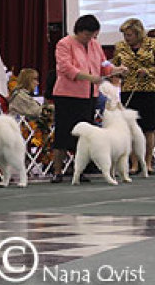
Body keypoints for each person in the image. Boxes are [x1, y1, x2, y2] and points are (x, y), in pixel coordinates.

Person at [50, 14, 127, 183]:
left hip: (89, 96)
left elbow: (104, 64)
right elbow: (65, 67)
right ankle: (57, 171)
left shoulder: (95, 45)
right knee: (63, 133)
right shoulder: (64, 44)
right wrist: (89, 77)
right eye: (87, 34)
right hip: (67, 96)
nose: (90, 38)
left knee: (86, 136)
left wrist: (116, 69)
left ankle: (79, 170)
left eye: (93, 35)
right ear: (79, 31)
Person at [112, 18, 155, 175]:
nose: (126, 38)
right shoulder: (120, 46)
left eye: (129, 35)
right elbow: (114, 67)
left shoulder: (154, 45)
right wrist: (119, 71)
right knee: (130, 128)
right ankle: (134, 164)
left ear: (138, 33)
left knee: (149, 128)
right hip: (128, 90)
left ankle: (147, 164)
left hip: (149, 90)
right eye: (124, 35)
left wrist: (148, 72)